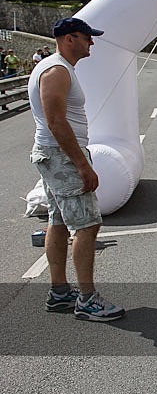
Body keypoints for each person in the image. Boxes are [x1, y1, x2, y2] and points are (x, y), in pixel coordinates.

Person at [28, 17, 125, 322]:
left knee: (58, 221)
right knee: (86, 225)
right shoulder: (56, 71)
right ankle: (87, 299)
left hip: (54, 155)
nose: (91, 42)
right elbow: (56, 122)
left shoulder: (56, 67)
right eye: (87, 37)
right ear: (69, 39)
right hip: (62, 155)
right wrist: (82, 164)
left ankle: (60, 293)